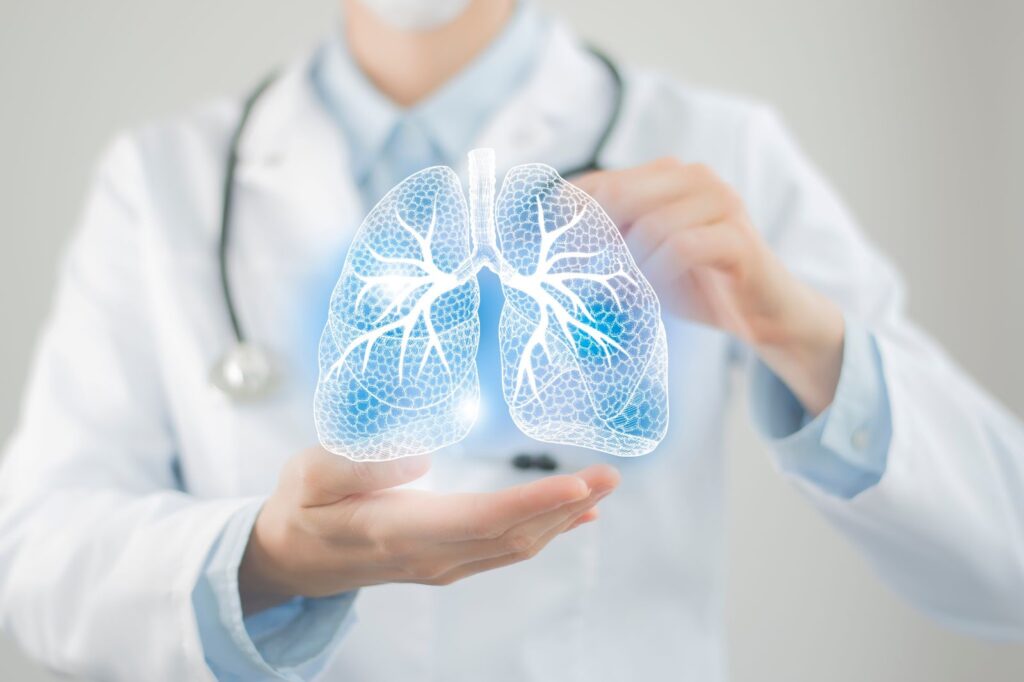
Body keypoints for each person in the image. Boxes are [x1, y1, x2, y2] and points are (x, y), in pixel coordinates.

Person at [1, 0, 1022, 679]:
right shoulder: (165, 178)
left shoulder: (717, 147)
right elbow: (34, 557)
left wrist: (803, 335)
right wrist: (264, 560)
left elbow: (1004, 564)